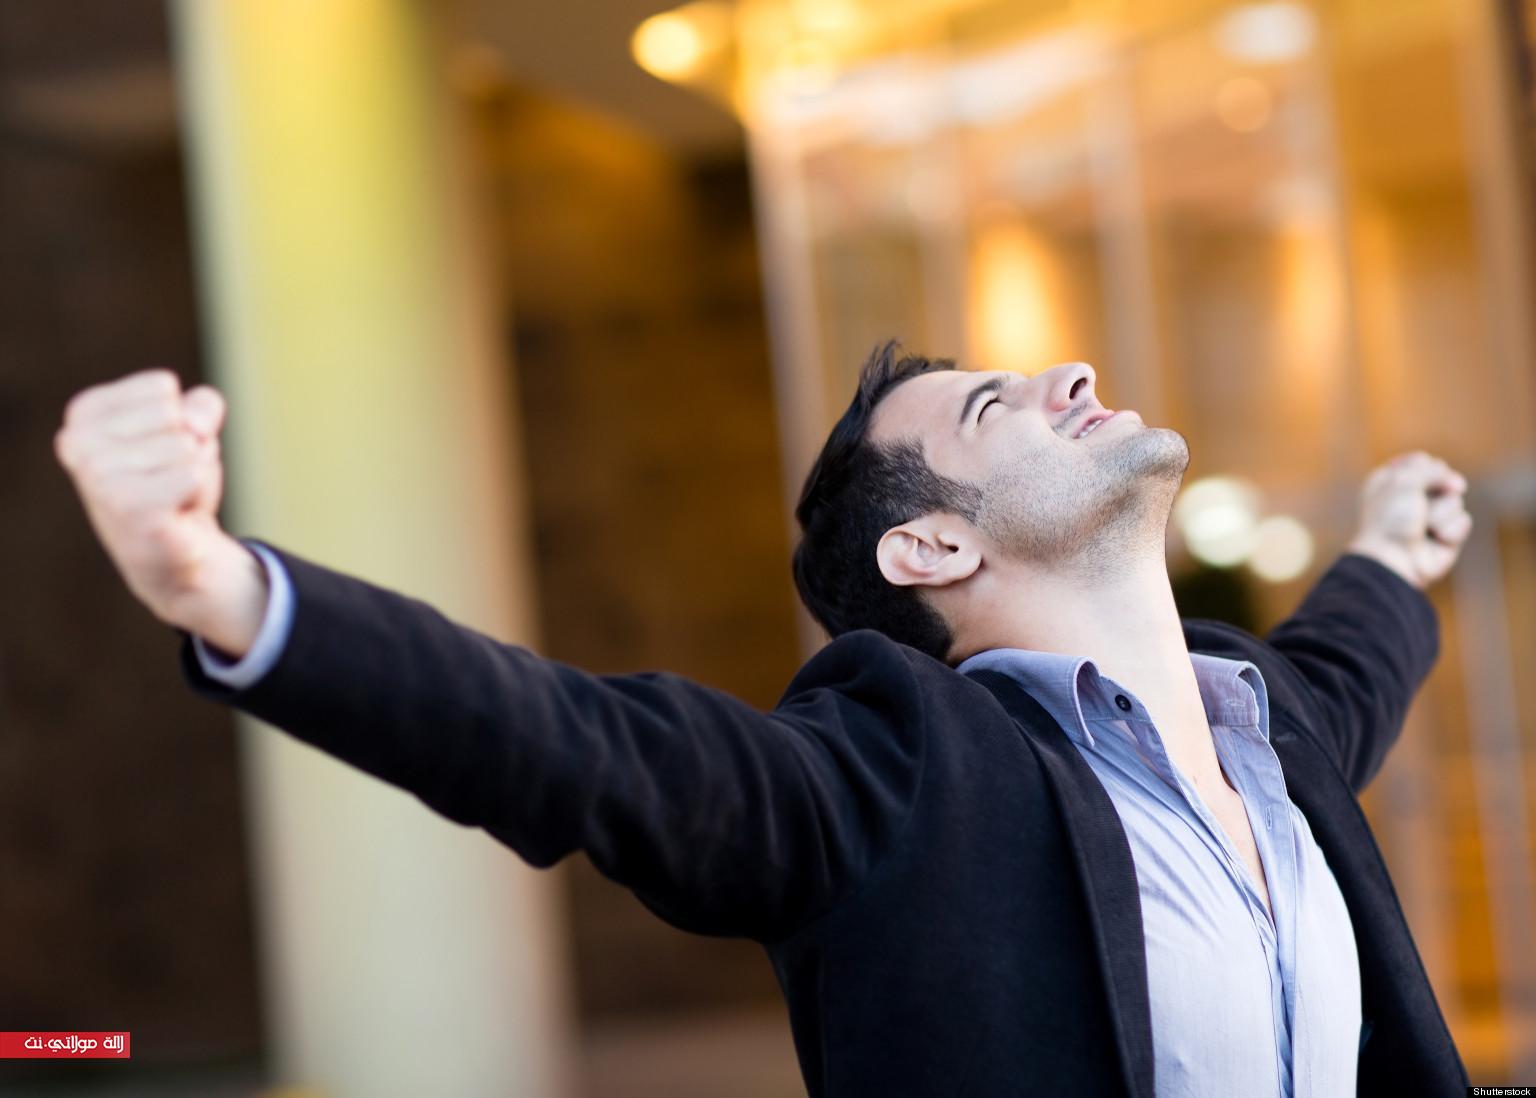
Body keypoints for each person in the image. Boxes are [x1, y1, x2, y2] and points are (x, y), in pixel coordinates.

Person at [53, 341, 1473, 1096]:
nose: (1075, 378)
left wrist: (1393, 552)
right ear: (932, 547)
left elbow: (1348, 659)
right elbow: (572, 743)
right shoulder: (897, 776)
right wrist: (218, 586)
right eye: (999, 404)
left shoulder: (1267, 723)